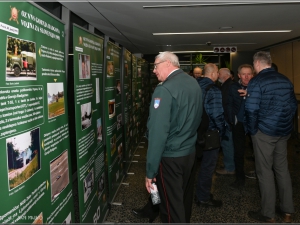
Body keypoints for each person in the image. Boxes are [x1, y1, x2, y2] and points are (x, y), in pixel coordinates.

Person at [145, 51, 202, 223]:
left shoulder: (164, 89)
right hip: (189, 153)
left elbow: (158, 133)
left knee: (170, 208)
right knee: (182, 201)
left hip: (170, 157)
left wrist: (150, 171)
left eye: (156, 66)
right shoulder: (193, 83)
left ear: (168, 63)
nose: (154, 70)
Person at [245, 51, 297, 223]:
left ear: (257, 64)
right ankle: (287, 211)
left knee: (265, 171)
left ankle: (268, 213)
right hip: (283, 132)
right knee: (282, 170)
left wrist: (253, 131)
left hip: (264, 133)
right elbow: (292, 105)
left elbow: (251, 110)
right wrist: (285, 124)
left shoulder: (257, 81)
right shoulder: (285, 79)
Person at [195, 63, 225, 207]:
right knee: (208, 166)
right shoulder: (214, 90)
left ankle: (190, 193)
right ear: (213, 74)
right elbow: (217, 115)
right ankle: (203, 197)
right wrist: (222, 131)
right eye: (217, 72)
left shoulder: (194, 86)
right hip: (210, 133)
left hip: (194, 131)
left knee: (192, 165)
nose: (218, 75)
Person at [227, 64, 254, 189]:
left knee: (259, 152)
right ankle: (240, 178)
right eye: (244, 74)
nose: (246, 76)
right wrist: (232, 121)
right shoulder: (234, 87)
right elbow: (229, 104)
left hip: (255, 124)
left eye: (249, 73)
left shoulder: (257, 87)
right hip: (239, 124)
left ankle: (262, 177)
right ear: (239, 75)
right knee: (238, 152)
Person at [216, 68, 235, 175]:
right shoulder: (228, 85)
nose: (218, 75)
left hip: (227, 120)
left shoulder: (228, 86)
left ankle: (229, 168)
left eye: (219, 73)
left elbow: (227, 105)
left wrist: (228, 120)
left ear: (225, 75)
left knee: (227, 145)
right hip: (228, 120)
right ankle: (229, 165)